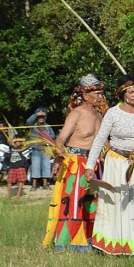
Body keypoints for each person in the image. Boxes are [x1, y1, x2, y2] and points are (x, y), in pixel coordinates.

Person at [84, 74, 134, 255]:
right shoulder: (113, 113)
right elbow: (100, 140)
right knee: (115, 202)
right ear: (123, 93)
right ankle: (112, 245)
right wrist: (90, 166)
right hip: (117, 164)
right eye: (131, 92)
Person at [42, 74, 105, 251]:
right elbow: (61, 138)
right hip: (76, 164)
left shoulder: (99, 115)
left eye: (101, 93)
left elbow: (104, 143)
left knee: (93, 202)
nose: (100, 96)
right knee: (74, 201)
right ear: (85, 95)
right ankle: (68, 242)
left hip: (95, 163)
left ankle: (90, 240)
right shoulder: (76, 114)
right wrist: (58, 158)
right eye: (97, 93)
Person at [27, 107, 55, 190]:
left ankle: (45, 184)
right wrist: (37, 114)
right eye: (39, 117)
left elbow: (52, 136)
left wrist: (46, 138)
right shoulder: (33, 125)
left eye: (43, 116)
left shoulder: (47, 126)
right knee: (35, 166)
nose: (41, 118)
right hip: (36, 149)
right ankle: (34, 185)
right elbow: (28, 121)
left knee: (46, 166)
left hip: (45, 149)